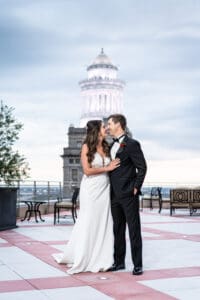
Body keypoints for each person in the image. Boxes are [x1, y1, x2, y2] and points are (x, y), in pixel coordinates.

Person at [53, 120, 120, 274]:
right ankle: (85, 256)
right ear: (96, 130)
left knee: (103, 222)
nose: (106, 129)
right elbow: (87, 171)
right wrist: (107, 168)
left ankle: (102, 257)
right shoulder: (85, 147)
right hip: (91, 189)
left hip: (105, 188)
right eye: (104, 127)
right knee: (89, 221)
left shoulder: (106, 147)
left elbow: (112, 166)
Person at [107, 114, 147, 275]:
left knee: (133, 229)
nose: (108, 126)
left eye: (109, 124)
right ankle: (119, 262)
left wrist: (135, 188)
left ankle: (138, 264)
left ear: (118, 124)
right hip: (114, 194)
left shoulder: (132, 144)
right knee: (117, 229)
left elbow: (142, 167)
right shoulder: (111, 145)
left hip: (129, 193)